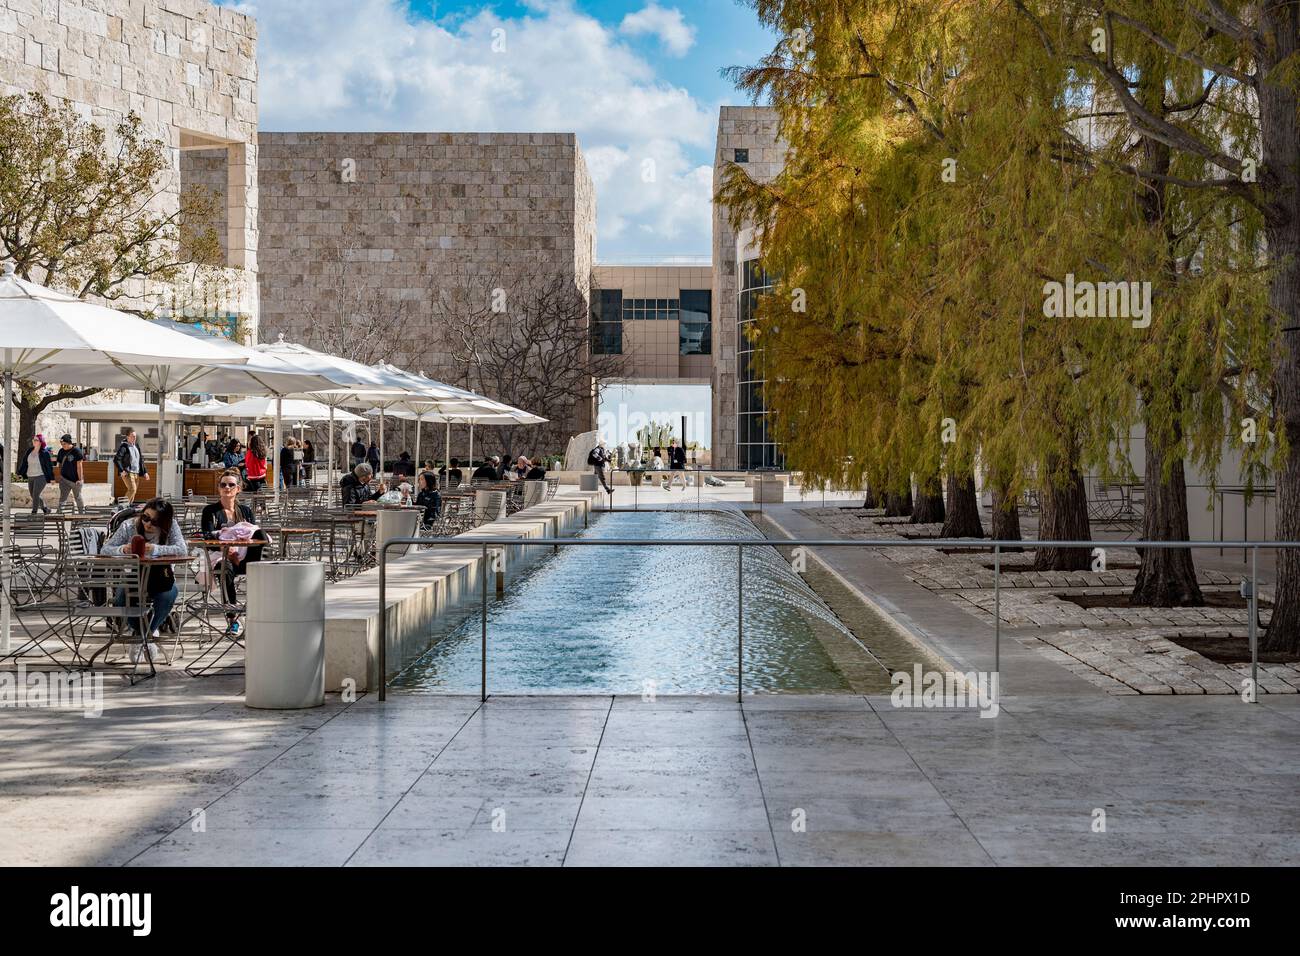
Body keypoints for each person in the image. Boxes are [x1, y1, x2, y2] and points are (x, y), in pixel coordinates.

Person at [103, 497, 186, 648]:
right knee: (121, 600)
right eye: (145, 518)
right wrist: (122, 550)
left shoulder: (171, 525)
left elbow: (182, 549)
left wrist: (156, 549)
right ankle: (143, 633)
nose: (148, 524)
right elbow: (105, 549)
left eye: (155, 522)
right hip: (133, 576)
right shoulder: (128, 526)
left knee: (168, 596)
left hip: (161, 577)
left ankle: (148, 632)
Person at [200, 469, 267, 635]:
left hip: (246, 557)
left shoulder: (245, 511)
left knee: (260, 533)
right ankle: (233, 618)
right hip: (222, 557)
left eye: (231, 485)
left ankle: (260, 607)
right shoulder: (210, 511)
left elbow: (252, 533)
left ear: (239, 488)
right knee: (225, 569)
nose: (227, 487)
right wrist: (227, 549)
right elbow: (207, 537)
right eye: (223, 484)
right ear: (218, 488)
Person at [18, 434, 54, 514]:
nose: (34, 441)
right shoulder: (29, 451)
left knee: (35, 494)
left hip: (41, 476)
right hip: (30, 476)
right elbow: (24, 463)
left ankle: (34, 512)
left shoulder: (45, 453)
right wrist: (20, 473)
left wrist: (52, 478)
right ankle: (45, 508)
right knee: (33, 495)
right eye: (33, 440)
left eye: (36, 440)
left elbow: (49, 466)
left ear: (41, 442)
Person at [114, 428, 149, 504]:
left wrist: (145, 472)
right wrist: (121, 470)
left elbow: (140, 460)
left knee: (133, 492)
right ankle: (121, 507)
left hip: (136, 473)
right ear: (127, 437)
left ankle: (127, 509)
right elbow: (117, 459)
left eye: (135, 436)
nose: (134, 438)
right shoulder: (124, 446)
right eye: (132, 436)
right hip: (128, 473)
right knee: (132, 489)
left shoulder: (136, 446)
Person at [55, 434, 86, 513]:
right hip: (64, 479)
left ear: (69, 443)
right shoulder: (61, 451)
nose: (63, 445)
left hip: (75, 480)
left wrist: (80, 479)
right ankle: (59, 515)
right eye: (61, 444)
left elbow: (79, 466)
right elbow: (59, 465)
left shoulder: (76, 451)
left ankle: (82, 515)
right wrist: (60, 476)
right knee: (63, 498)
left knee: (78, 497)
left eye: (64, 444)